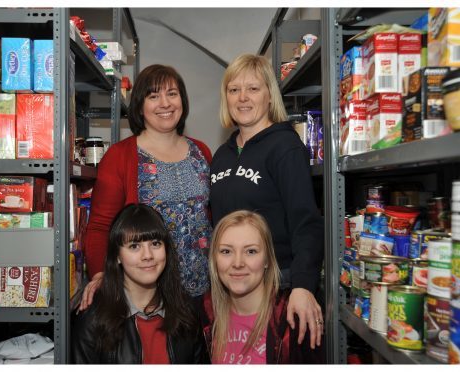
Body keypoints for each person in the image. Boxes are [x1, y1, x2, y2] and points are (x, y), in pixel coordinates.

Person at [209, 54, 324, 349]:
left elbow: (306, 222)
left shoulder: (285, 148)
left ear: (269, 95)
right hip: (233, 289)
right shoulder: (222, 154)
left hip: (279, 287)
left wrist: (302, 285)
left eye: (253, 89)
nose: (243, 98)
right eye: (234, 90)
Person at [80, 64, 212, 311]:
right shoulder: (120, 156)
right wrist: (99, 275)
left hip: (203, 291)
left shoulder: (201, 152)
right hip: (147, 294)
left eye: (172, 94)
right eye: (154, 96)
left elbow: (210, 216)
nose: (165, 103)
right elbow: (100, 226)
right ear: (140, 105)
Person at [72, 203, 209, 364]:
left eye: (155, 244)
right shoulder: (92, 321)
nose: (147, 255)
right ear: (117, 256)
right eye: (135, 246)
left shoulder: (187, 314)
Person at [198, 210, 323, 364]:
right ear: (214, 260)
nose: (238, 263)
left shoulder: (292, 320)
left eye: (251, 251)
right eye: (226, 251)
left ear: (267, 260)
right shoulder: (204, 314)